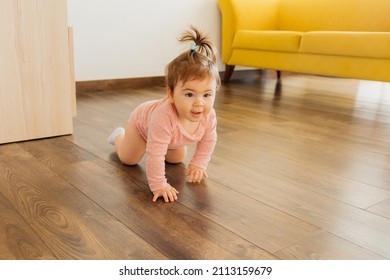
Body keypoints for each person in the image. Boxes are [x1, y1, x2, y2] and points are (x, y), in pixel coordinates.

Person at [108, 26, 221, 203]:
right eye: (189, 94)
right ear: (171, 94)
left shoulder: (209, 116)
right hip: (142, 125)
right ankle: (119, 137)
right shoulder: (164, 116)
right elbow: (155, 154)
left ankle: (160, 140)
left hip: (169, 136)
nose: (199, 103)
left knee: (177, 159)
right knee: (129, 159)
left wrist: (199, 163)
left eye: (207, 95)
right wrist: (159, 185)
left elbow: (209, 140)